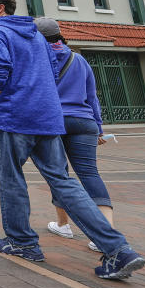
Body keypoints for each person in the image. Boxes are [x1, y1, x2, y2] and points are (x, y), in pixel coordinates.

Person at [0, 0, 144, 280]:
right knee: (64, 182)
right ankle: (118, 249)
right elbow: (52, 74)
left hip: (14, 117)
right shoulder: (37, 36)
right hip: (47, 118)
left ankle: (22, 242)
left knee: (12, 179)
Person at [34, 18, 112, 253]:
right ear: (60, 35)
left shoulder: (38, 60)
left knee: (59, 175)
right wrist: (99, 127)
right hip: (84, 121)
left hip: (53, 122)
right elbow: (92, 96)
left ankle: (63, 224)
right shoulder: (79, 59)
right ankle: (107, 231)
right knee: (90, 173)